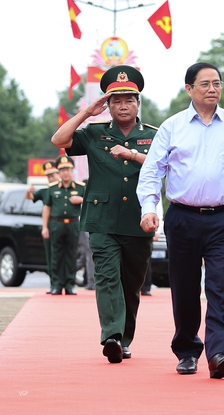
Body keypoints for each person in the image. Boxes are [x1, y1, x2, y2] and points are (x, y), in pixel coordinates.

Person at [136, 62, 224, 379]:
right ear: (189, 89)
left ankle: (220, 352)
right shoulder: (172, 127)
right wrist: (148, 209)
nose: (212, 89)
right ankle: (187, 350)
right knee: (184, 288)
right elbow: (152, 173)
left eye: (217, 83)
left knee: (220, 288)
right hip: (183, 218)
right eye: (205, 83)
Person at [51, 65, 156, 364]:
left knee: (131, 285)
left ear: (138, 103)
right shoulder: (95, 133)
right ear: (107, 106)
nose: (123, 106)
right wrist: (86, 113)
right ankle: (111, 336)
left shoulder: (153, 135)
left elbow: (167, 167)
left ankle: (124, 337)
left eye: (129, 100)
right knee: (107, 278)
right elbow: (59, 141)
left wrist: (132, 154)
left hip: (139, 219)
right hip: (102, 220)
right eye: (116, 101)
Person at [42, 155, 85, 295]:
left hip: (73, 224)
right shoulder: (52, 188)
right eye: (62, 170)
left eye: (68, 169)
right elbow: (47, 208)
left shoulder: (80, 187)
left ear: (72, 171)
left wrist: (81, 199)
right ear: (59, 173)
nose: (65, 172)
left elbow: (91, 204)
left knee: (71, 255)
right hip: (56, 224)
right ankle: (56, 284)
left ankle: (69, 284)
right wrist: (45, 227)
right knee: (56, 255)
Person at [26, 160, 59, 293]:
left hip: (65, 224)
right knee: (51, 256)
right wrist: (28, 192)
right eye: (49, 176)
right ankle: (54, 284)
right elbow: (30, 197)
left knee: (65, 255)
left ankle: (66, 284)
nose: (51, 178)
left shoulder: (67, 188)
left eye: (53, 175)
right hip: (51, 224)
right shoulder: (45, 191)